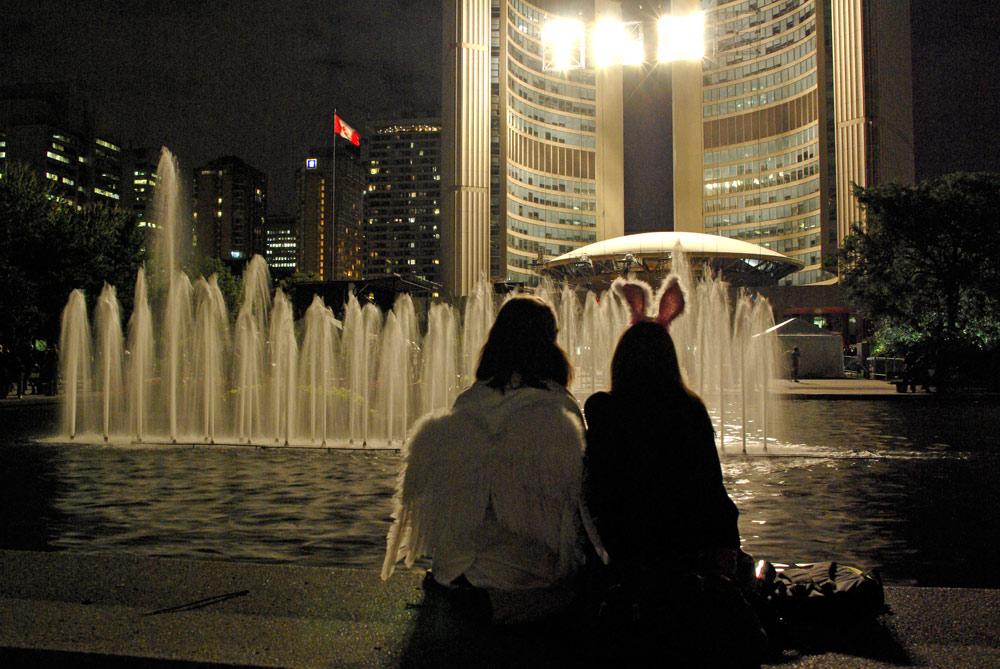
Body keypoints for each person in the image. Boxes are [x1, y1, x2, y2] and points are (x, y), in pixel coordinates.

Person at [584, 278, 765, 665]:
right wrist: (726, 552)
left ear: (620, 361)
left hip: (627, 557)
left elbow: (596, 488)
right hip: (687, 558)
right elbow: (713, 494)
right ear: (670, 360)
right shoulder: (690, 411)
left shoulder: (603, 410)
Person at [382, 296, 593, 623]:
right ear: (549, 344)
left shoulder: (467, 402)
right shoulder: (560, 407)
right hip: (526, 577)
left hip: (452, 573)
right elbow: (577, 506)